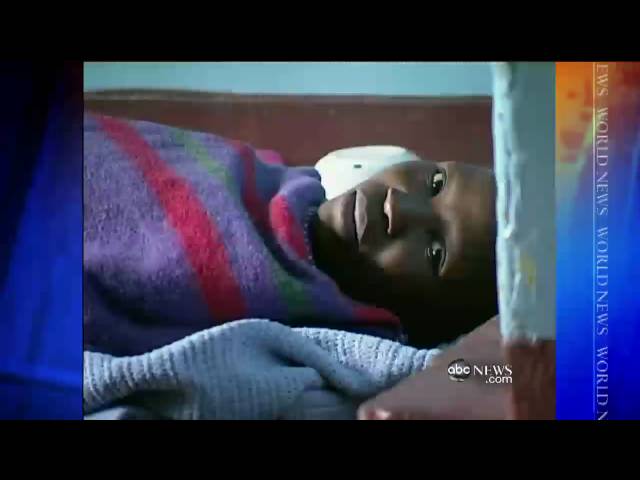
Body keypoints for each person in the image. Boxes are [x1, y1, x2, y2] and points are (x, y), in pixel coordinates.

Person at [83, 113, 497, 356]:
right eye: (437, 183)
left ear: (421, 324)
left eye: (435, 252)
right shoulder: (263, 172)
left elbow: (487, 374)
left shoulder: (324, 341)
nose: (397, 207)